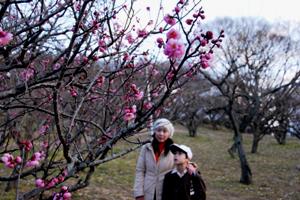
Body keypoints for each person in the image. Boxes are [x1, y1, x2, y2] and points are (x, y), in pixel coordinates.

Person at [133, 118, 175, 200]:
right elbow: (140, 171)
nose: (161, 134)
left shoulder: (174, 149)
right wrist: (139, 193)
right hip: (147, 191)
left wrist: (191, 165)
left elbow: (183, 162)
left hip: (166, 192)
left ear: (169, 133)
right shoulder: (146, 148)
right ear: (154, 131)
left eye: (164, 131)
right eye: (158, 130)